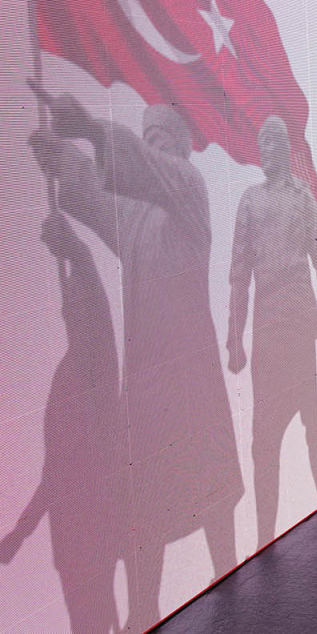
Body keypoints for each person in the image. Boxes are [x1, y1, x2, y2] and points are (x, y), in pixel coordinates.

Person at [29, 91, 242, 631]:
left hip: (190, 376)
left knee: (211, 495)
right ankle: (145, 609)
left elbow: (145, 171)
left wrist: (91, 129)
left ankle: (235, 584)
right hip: (147, 383)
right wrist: (59, 156)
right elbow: (94, 194)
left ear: (181, 147)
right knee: (146, 506)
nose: (154, 146)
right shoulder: (136, 218)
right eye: (148, 136)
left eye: (161, 138)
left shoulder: (189, 191)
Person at [0, 211, 125, 634]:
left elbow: (97, 307)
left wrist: (76, 250)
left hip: (90, 527)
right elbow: (54, 472)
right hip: (70, 533)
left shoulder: (95, 371)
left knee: (92, 619)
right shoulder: (69, 375)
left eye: (76, 306)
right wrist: (21, 533)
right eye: (68, 307)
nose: (70, 314)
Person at [228, 116, 317, 550]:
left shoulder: (302, 197)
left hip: (303, 325)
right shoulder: (250, 201)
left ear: (283, 147)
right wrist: (233, 337)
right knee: (264, 443)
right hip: (268, 332)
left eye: (271, 142)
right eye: (261, 143)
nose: (264, 150)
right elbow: (239, 274)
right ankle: (264, 541)